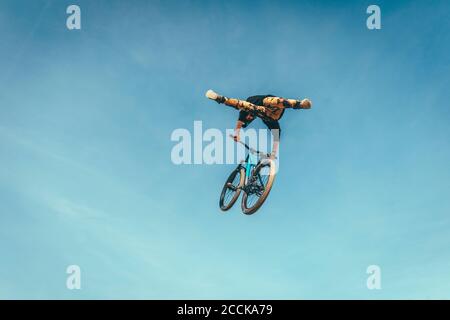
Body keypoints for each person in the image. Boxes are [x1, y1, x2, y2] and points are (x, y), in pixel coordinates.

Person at [205, 90, 312, 157]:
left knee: (250, 105)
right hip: (271, 115)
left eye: (249, 116)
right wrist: (273, 153)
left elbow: (241, 114)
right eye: (250, 117)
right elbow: (277, 133)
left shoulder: (251, 102)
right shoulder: (265, 118)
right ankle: (220, 99)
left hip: (272, 104)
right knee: (258, 111)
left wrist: (237, 132)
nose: (250, 117)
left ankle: (299, 104)